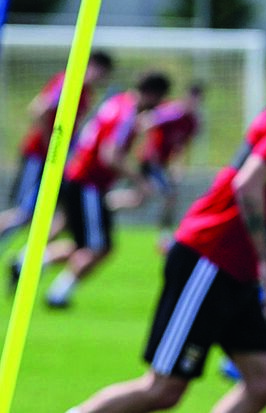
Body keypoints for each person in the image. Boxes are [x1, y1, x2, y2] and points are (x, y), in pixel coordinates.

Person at [67, 21, 266, 413]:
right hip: (211, 257)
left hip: (234, 267)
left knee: (265, 380)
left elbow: (258, 181)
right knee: (162, 389)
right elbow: (247, 185)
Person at [42, 71, 172, 309]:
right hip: (88, 182)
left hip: (84, 180)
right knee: (98, 247)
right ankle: (56, 293)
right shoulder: (126, 112)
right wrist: (139, 180)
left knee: (87, 244)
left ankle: (32, 267)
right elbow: (109, 154)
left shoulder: (118, 102)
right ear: (154, 94)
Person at [0, 50, 114, 260]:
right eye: (101, 72)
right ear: (93, 66)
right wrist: (50, 145)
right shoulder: (69, 82)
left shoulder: (87, 93)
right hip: (39, 156)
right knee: (23, 212)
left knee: (41, 213)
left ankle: (25, 257)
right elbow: (38, 109)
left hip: (54, 159)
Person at [108, 82, 206, 252]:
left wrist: (177, 166)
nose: (193, 104)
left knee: (139, 199)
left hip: (162, 164)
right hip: (150, 162)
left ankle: (106, 203)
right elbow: (146, 121)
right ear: (185, 98)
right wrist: (149, 148)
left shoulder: (192, 122)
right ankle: (165, 237)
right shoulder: (173, 113)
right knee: (170, 195)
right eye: (191, 99)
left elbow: (180, 146)